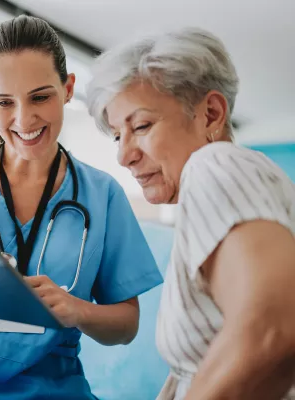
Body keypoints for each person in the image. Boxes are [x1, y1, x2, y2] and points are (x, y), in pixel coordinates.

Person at [0, 15, 163, 399]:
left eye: (40, 97)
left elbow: (127, 325)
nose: (24, 119)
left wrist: (76, 310)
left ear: (68, 89)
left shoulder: (103, 195)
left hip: (52, 388)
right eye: (4, 102)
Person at [86, 28, 295, 399]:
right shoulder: (245, 177)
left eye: (142, 126)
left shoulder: (215, 166)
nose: (124, 156)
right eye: (119, 136)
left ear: (210, 114)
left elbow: (273, 325)